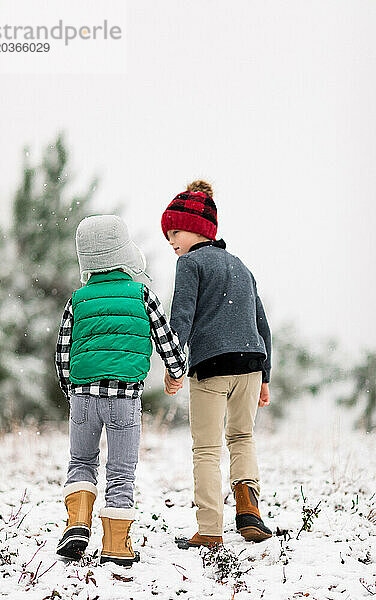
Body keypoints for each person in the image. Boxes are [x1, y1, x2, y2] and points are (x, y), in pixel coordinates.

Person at [55, 214, 185, 566]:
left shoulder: (78, 299)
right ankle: (116, 545)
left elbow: (63, 350)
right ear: (123, 252)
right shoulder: (141, 294)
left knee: (81, 461)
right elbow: (166, 340)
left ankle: (78, 524)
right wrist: (176, 371)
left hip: (83, 396)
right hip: (125, 400)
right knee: (120, 470)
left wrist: (73, 391)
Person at [161, 180, 272, 548]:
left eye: (174, 231)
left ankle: (209, 530)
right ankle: (249, 512)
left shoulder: (190, 264)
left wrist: (173, 367)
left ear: (195, 228)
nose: (172, 241)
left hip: (210, 366)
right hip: (252, 364)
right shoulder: (240, 265)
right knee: (242, 437)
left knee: (206, 448)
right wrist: (265, 377)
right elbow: (261, 323)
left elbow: (182, 319)